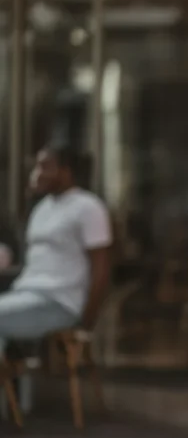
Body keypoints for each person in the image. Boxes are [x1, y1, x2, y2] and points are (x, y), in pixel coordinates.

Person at [0, 146, 112, 351]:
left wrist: (88, 319)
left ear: (65, 171)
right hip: (24, 296)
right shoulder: (41, 209)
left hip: (59, 302)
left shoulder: (88, 207)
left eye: (44, 167)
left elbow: (101, 268)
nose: (37, 173)